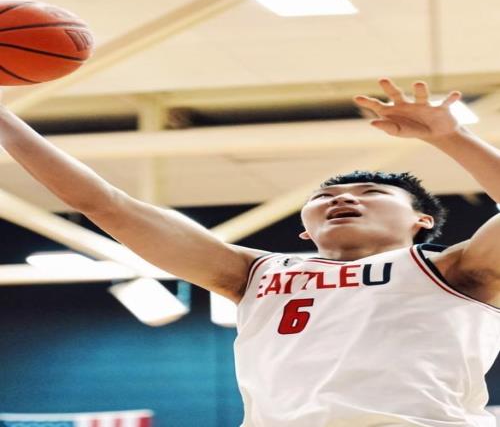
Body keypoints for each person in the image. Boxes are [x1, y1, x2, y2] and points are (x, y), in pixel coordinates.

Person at [0, 78, 498, 427]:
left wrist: (453, 137)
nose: (342, 199)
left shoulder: (455, 269)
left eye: (372, 192)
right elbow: (105, 204)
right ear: (304, 231)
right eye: (323, 197)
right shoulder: (251, 271)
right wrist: (5, 120)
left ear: (421, 220)